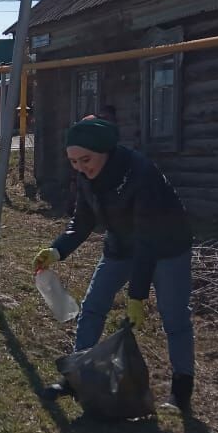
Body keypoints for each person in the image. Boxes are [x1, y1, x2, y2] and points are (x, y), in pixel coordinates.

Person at [34, 116, 195, 412]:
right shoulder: (85, 177)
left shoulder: (140, 173)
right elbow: (82, 221)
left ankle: (181, 390)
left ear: (105, 151)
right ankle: (75, 378)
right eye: (73, 161)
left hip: (167, 247)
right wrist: (56, 251)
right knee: (93, 306)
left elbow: (148, 239)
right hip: (120, 246)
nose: (81, 168)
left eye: (86, 159)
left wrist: (137, 296)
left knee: (174, 318)